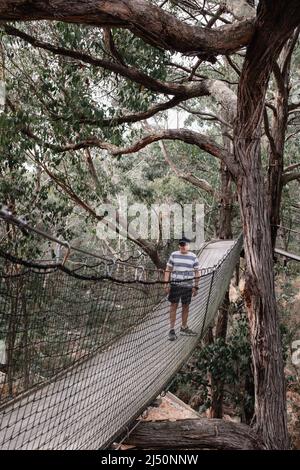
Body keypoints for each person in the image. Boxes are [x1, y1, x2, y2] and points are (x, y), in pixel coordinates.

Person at [164, 236, 200, 341]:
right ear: (179, 245)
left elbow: (197, 272)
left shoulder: (193, 257)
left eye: (185, 244)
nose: (183, 247)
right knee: (173, 306)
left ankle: (184, 327)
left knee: (185, 306)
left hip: (188, 286)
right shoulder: (174, 255)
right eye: (181, 244)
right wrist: (166, 284)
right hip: (175, 285)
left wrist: (196, 286)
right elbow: (168, 270)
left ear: (189, 245)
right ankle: (171, 330)